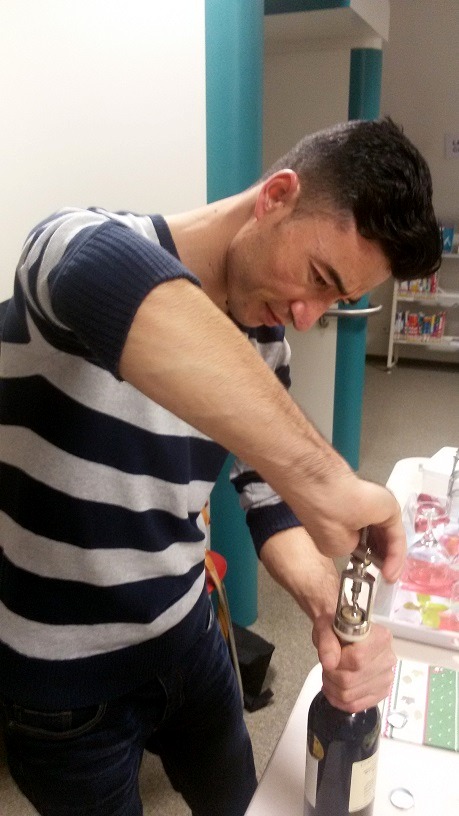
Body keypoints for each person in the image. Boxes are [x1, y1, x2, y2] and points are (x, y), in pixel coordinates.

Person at [0, 118, 442, 816]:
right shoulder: (74, 242)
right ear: (277, 195)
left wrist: (335, 612)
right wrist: (325, 478)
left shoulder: (265, 338)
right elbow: (98, 273)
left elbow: (267, 496)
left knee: (243, 802)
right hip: (65, 690)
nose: (307, 316)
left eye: (336, 301)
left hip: (189, 637)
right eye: (319, 278)